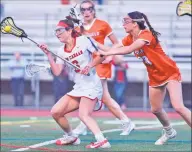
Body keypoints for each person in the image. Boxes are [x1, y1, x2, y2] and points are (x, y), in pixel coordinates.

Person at [97, 11, 192, 145]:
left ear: (135, 23)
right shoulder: (130, 37)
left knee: (178, 107)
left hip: (169, 72)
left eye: (126, 21)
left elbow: (128, 50)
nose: (123, 24)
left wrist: (108, 53)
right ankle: (169, 131)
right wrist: (102, 49)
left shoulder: (146, 34)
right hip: (154, 76)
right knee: (155, 109)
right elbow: (116, 46)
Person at [39, 19, 111, 149]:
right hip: (79, 87)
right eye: (56, 31)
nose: (57, 34)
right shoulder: (61, 51)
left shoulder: (83, 41)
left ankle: (102, 141)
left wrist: (89, 65)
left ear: (70, 30)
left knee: (83, 115)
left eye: (60, 30)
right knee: (56, 112)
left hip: (92, 84)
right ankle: (71, 136)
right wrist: (49, 55)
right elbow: (57, 72)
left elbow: (101, 55)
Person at [73, 0, 135, 136]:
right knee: (99, 97)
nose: (86, 12)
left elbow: (117, 43)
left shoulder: (102, 24)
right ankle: (126, 122)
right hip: (87, 67)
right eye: (83, 10)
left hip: (100, 63)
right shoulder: (78, 29)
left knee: (97, 96)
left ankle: (84, 125)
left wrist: (109, 55)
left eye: (89, 9)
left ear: (94, 10)